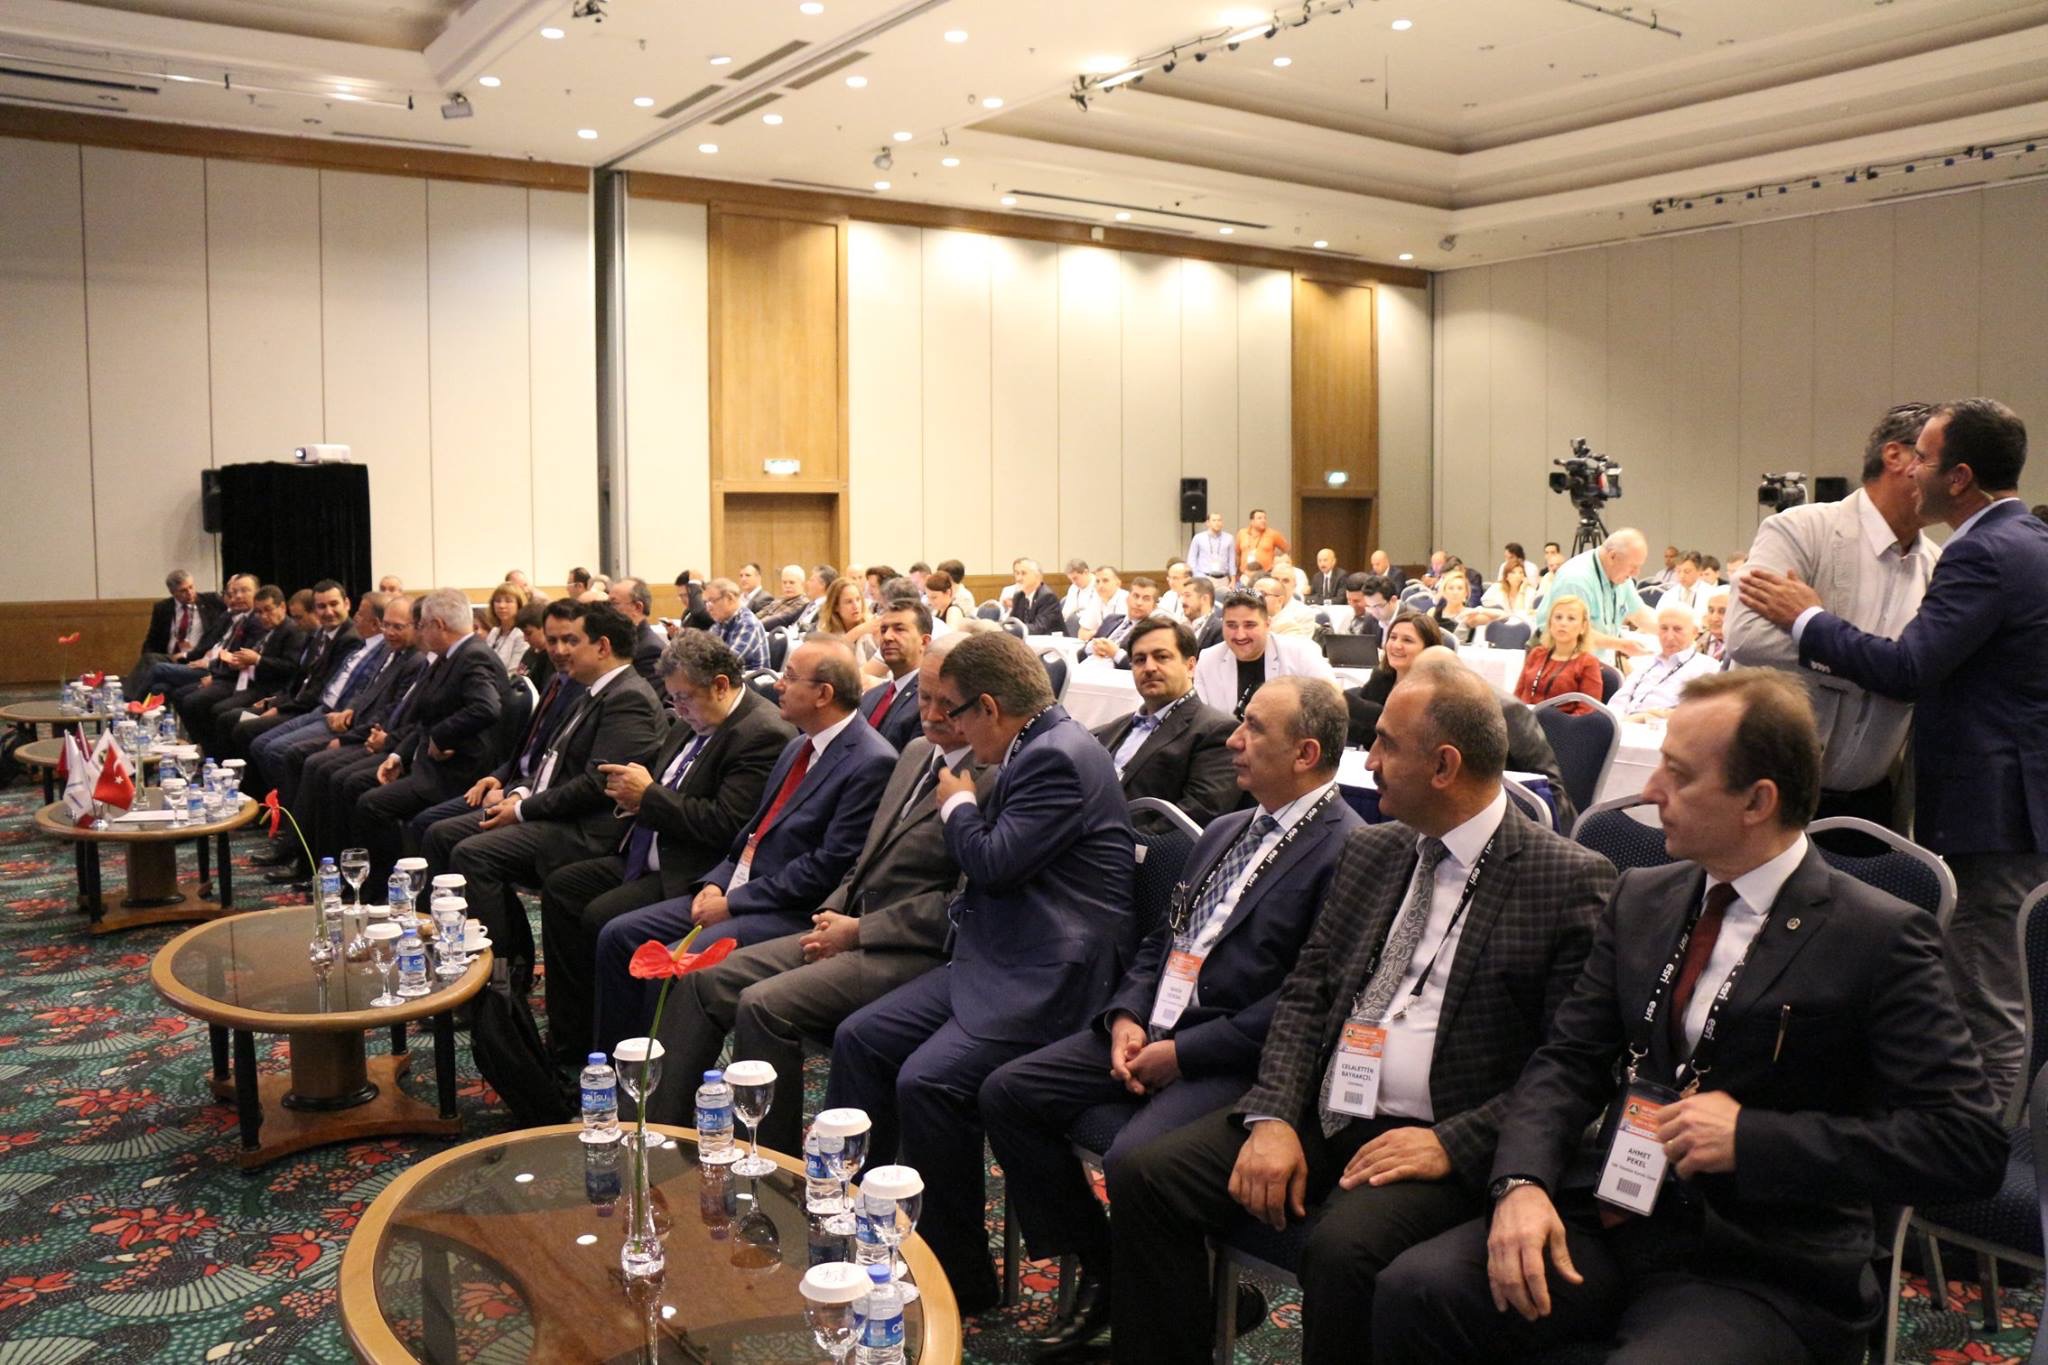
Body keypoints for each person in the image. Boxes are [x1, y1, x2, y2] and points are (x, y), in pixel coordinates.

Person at [1374, 668, 2006, 1365]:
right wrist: (1521, 1181)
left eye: (1678, 775)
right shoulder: (1643, 897)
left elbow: (1966, 1145)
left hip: (1758, 1258)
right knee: (1418, 1289)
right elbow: (1567, 1061)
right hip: (1615, 1208)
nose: (1650, 791)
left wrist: (1753, 1137)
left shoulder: (1877, 937)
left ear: (1757, 800)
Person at [1109, 657, 1615, 1364]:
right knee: (1148, 1175)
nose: (1367, 761)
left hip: (1435, 1132)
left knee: (1344, 1252)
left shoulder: (1565, 878)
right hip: (1328, 1106)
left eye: (1384, 745)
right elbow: (1307, 995)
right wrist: (1273, 1115)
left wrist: (1454, 1143)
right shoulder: (1375, 849)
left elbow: (1571, 1066)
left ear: (1444, 766)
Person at [985, 677, 1365, 1357]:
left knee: (1135, 1162)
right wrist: (1128, 1014)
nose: (1234, 740)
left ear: (1306, 753)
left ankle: (1164, 1322)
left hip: (1233, 1056)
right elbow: (1164, 939)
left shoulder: (1348, 850)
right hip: (1154, 1027)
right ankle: (1110, 1270)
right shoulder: (1225, 827)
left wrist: (1183, 1054)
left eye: (1254, 729)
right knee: (1009, 1092)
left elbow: (1306, 1002)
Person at [1738, 397, 2048, 1103]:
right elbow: (1748, 638)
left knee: (1987, 1003)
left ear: (1959, 477)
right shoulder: (2029, 540)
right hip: (2010, 806)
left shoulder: (1976, 552)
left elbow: (1909, 668)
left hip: (1989, 814)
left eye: (1928, 460)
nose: (1916, 474)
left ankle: (1982, 1153)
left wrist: (1810, 618)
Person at [826, 630, 1134, 1312]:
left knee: (928, 1080)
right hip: (1000, 953)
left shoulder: (1057, 756)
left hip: (1052, 976)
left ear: (990, 707)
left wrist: (957, 804)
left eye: (957, 711)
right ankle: (866, 1224)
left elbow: (992, 862)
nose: (951, 726)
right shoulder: (1036, 744)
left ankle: (956, 1278)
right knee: (862, 1036)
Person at [646, 635, 993, 1150]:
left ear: (980, 705)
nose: (931, 713)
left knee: (762, 1005)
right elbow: (863, 858)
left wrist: (857, 930)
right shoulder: (917, 751)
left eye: (947, 702)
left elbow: (962, 904)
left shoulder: (991, 776)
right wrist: (832, 911)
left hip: (907, 948)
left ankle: (767, 1161)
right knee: (702, 980)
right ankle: (663, 1137)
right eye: (923, 697)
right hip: (844, 920)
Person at [590, 636, 896, 1049]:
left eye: (790, 677)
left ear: (823, 694)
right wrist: (715, 882)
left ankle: (658, 1077)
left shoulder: (871, 761)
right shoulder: (798, 745)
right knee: (618, 934)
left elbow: (826, 868)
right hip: (740, 890)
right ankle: (614, 1064)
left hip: (790, 910)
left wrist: (733, 902)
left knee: (673, 964)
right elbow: (752, 832)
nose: (777, 685)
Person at [537, 631, 793, 1065]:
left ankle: (619, 1056)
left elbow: (725, 825)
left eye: (684, 698)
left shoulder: (760, 733)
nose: (678, 708)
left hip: (692, 870)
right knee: (562, 888)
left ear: (720, 685)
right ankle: (571, 1036)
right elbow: (660, 786)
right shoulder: (688, 723)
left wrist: (648, 796)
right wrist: (631, 797)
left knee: (605, 919)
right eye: (672, 698)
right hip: (647, 849)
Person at [419, 602, 666, 984]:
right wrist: (519, 795)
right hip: (552, 811)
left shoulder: (627, 697)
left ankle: (498, 978)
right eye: (556, 640)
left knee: (473, 854)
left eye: (572, 641)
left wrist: (522, 810)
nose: (560, 651)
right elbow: (548, 761)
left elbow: (596, 785)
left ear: (602, 647)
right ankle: (482, 954)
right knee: (441, 834)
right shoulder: (592, 691)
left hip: (587, 830)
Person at [1724, 402, 1937, 824]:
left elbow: (1925, 674)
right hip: (1767, 791)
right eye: (1938, 462)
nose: (1954, 480)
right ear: (1895, 456)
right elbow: (1746, 636)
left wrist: (1820, 632)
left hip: (1868, 803)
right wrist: (1881, 668)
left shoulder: (1938, 565)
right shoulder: (1800, 529)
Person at [350, 587, 508, 889]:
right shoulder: (451, 656)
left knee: (372, 804)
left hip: (460, 771)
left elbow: (486, 708)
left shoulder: (473, 656)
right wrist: (399, 755)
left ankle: (391, 888)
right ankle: (389, 883)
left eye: (422, 625)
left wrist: (440, 737)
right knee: (360, 790)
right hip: (433, 762)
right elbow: (427, 720)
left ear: (438, 625)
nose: (420, 632)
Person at [1090, 617, 1241, 825]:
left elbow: (1195, 817)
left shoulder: (1217, 732)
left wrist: (1114, 840)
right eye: (1140, 660)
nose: (1149, 667)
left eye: (1161, 657)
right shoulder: (1113, 729)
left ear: (1190, 666)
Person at [220, 580, 363, 758]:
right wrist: (275, 701)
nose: (328, 612)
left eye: (334, 604)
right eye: (321, 606)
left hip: (308, 709)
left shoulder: (350, 639)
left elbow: (320, 689)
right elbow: (300, 677)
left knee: (248, 731)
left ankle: (247, 776)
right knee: (232, 719)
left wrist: (280, 708)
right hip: (293, 702)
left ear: (347, 604)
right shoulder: (320, 634)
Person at [174, 584, 300, 752]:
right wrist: (240, 662)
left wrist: (257, 660)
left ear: (282, 607)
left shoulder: (291, 631)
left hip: (267, 689)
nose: (264, 616)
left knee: (222, 713)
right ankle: (209, 751)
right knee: (195, 701)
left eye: (268, 610)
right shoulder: (267, 630)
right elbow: (250, 658)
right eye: (259, 612)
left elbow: (290, 667)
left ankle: (219, 756)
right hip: (246, 681)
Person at [1194, 591, 1336, 719]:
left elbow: (1331, 699)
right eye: (1231, 625)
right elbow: (1200, 719)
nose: (1240, 635)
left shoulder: (1301, 652)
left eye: (1249, 625)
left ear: (1267, 624)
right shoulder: (1208, 660)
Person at [1532, 529, 1656, 658]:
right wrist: (1621, 645)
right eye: (1633, 566)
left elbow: (1639, 614)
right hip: (1560, 660)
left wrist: (1666, 631)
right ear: (1612, 556)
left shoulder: (1619, 574)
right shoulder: (1575, 579)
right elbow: (1573, 631)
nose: (1636, 573)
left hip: (1596, 660)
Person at [1610, 605, 1719, 720]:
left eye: (1677, 629)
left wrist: (1647, 717)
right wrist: (1617, 722)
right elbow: (1618, 701)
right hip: (1623, 724)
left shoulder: (1708, 667)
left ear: (1694, 633)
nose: (1669, 637)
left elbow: (1698, 712)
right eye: (1664, 628)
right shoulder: (1646, 662)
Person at [1515, 594, 1603, 715]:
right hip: (1525, 720)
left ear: (1583, 627)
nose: (1563, 623)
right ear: (1550, 624)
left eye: (1571, 618)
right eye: (1558, 617)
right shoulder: (1536, 654)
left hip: (1562, 725)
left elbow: (1588, 710)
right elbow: (1517, 695)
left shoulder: (1588, 663)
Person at [859, 597, 927, 750]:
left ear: (924, 642)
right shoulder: (870, 696)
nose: (887, 637)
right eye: (883, 630)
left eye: (899, 629)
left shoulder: (928, 700)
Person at [133, 569, 226, 682]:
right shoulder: (163, 608)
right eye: (183, 590)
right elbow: (152, 640)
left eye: (191, 587)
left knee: (159, 685)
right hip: (171, 658)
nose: (190, 593)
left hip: (196, 657)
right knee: (149, 659)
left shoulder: (211, 601)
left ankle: (128, 693)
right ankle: (129, 693)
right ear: (173, 592)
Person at [700, 576, 770, 672]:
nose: (708, 608)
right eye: (706, 602)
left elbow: (728, 663)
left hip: (749, 679)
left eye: (712, 601)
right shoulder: (720, 623)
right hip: (728, 677)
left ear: (730, 598)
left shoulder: (748, 624)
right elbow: (705, 653)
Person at [606, 577, 667, 685]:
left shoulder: (651, 650)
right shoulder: (622, 639)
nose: (607, 610)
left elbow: (639, 694)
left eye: (613, 604)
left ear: (637, 608)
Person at [1085, 577, 1158, 664]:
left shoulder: (1153, 631)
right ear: (1127, 599)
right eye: (1135, 596)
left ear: (1154, 606)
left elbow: (1143, 664)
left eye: (1146, 599)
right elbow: (1081, 653)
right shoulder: (1111, 619)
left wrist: (1115, 653)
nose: (1139, 603)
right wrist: (1093, 647)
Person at [820, 575, 880, 664]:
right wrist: (859, 631)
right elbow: (829, 657)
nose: (856, 606)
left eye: (858, 599)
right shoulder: (826, 628)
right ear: (835, 607)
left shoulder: (875, 624)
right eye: (848, 602)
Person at [1004, 558, 1066, 635]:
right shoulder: (1019, 596)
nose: (1018, 578)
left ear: (1038, 576)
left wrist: (1013, 628)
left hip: (1050, 640)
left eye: (1023, 573)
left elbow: (1039, 628)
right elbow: (1012, 621)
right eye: (1017, 573)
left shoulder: (1047, 597)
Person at [1430, 569, 1486, 644]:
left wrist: (1480, 610)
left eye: (1460, 588)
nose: (1455, 592)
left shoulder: (1471, 614)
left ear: (1466, 593)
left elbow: (1501, 616)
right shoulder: (1434, 612)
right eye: (1451, 588)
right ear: (1444, 592)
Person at [483, 582, 529, 671]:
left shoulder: (521, 634)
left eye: (508, 601)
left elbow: (514, 672)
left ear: (519, 605)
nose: (502, 606)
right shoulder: (494, 632)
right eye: (497, 601)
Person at [1258, 573, 1320, 639]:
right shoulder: (1254, 618)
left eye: (1262, 594)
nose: (1256, 598)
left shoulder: (1289, 628)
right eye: (1253, 593)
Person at [1477, 560, 1538, 625]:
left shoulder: (1530, 591)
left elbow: (1521, 614)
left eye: (1521, 572)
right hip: (1499, 623)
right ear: (1506, 576)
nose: (1518, 576)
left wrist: (1522, 591)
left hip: (1521, 625)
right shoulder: (1497, 587)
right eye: (1513, 572)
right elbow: (1485, 603)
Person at [1239, 509, 1289, 579]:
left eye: (1265, 518)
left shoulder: (1273, 534)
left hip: (1266, 574)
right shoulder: (1242, 533)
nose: (1263, 520)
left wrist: (1278, 562)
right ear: (1252, 521)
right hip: (1245, 574)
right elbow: (1237, 553)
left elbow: (1287, 549)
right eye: (1259, 518)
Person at [1189, 512, 1237, 581]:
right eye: (1214, 520)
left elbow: (1232, 560)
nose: (1217, 523)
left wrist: (1233, 579)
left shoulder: (1229, 538)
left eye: (1219, 520)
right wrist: (1196, 576)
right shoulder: (1198, 538)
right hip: (1204, 577)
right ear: (1207, 523)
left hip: (1223, 578)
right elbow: (1191, 559)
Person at [1181, 576, 1222, 652]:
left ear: (1205, 599)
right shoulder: (1181, 626)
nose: (1183, 601)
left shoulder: (1218, 629)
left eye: (1187, 596)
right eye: (1182, 596)